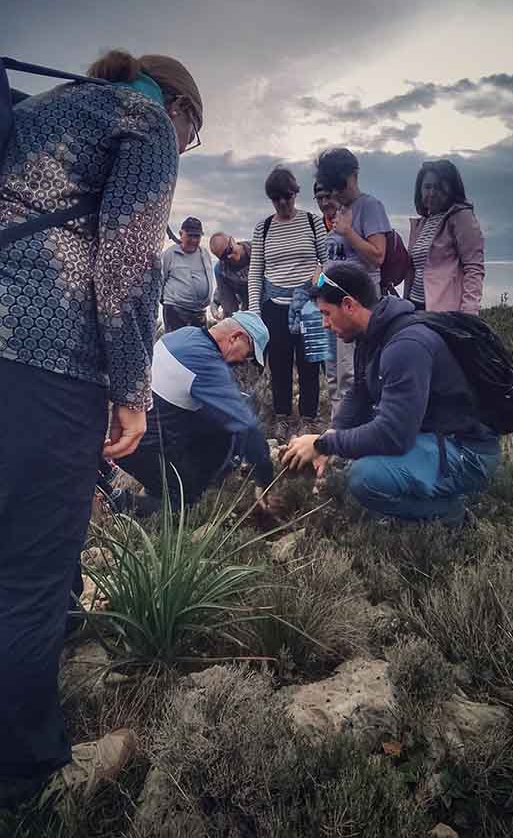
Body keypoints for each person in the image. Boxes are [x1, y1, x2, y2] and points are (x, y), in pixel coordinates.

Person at [0, 48, 202, 808]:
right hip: (46, 360)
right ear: (180, 108)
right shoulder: (141, 120)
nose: (182, 150)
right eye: (193, 137)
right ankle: (25, 777)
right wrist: (131, 389)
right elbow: (124, 265)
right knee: (31, 572)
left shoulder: (38, 111)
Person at [282, 264, 500, 528]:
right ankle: (423, 501)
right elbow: (360, 393)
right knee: (355, 455)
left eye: (327, 314)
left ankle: (450, 515)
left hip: (469, 452)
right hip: (436, 439)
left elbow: (393, 435)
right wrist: (332, 435)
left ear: (349, 305)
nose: (324, 324)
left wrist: (321, 444)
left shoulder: (406, 345)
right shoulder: (373, 335)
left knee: (364, 476)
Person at [117, 313, 273, 512]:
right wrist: (264, 477)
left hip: (133, 433)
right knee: (184, 503)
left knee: (234, 408)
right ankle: (116, 502)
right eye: (249, 354)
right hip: (141, 448)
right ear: (236, 337)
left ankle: (166, 485)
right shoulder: (206, 364)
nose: (245, 361)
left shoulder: (185, 335)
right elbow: (246, 426)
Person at [248, 166, 327, 442]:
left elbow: (328, 261)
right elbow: (256, 271)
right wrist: (256, 312)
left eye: (287, 196)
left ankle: (309, 419)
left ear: (295, 194)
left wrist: (318, 287)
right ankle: (282, 418)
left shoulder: (313, 222)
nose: (282, 203)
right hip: (274, 305)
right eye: (276, 198)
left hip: (309, 304)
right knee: (279, 364)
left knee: (310, 363)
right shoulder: (263, 228)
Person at [314, 147, 391, 418]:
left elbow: (378, 256)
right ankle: (337, 431)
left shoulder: (370, 207)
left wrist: (348, 232)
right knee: (333, 373)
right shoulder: (340, 211)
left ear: (354, 175)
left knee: (351, 374)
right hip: (332, 303)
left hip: (355, 305)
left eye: (340, 186)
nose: (335, 194)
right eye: (330, 189)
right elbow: (336, 258)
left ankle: (350, 437)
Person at [404, 159, 484, 313]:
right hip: (415, 307)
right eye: (427, 187)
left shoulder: (461, 217)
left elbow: (473, 267)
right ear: (419, 190)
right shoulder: (422, 224)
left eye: (439, 188)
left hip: (443, 313)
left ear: (451, 189)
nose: (432, 193)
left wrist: (469, 314)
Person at [161, 216, 214, 331]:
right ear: (181, 233)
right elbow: (160, 282)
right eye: (190, 235)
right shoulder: (170, 254)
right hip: (175, 311)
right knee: (176, 346)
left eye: (197, 236)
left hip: (200, 312)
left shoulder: (204, 253)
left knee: (199, 346)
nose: (194, 240)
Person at [209, 232, 251, 318]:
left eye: (229, 250)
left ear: (232, 240)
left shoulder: (257, 249)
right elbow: (229, 307)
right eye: (223, 257)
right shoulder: (220, 270)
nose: (229, 256)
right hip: (249, 314)